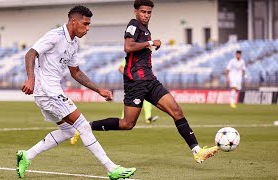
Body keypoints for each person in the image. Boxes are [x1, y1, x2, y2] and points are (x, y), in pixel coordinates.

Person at [72, 0, 219, 164]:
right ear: (136, 11)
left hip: (150, 80)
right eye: (143, 12)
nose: (146, 15)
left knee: (176, 111)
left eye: (149, 12)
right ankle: (87, 126)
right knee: (127, 124)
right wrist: (151, 42)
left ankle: (197, 151)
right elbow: (128, 47)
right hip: (135, 82)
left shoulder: (144, 29)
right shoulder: (133, 25)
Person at [18, 5, 136, 179]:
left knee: (69, 131)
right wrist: (30, 79)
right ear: (74, 21)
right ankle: (112, 169)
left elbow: (76, 73)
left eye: (89, 25)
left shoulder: (73, 44)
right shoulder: (55, 36)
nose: (87, 28)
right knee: (83, 126)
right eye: (85, 24)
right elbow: (30, 54)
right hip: (48, 92)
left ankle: (26, 156)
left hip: (50, 92)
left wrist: (98, 90)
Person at [118, 59, 159, 124]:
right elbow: (120, 68)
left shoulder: (142, 58)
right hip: (133, 83)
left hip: (141, 82)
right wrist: (129, 76)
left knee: (147, 98)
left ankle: (148, 117)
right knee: (130, 101)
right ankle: (123, 118)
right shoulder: (130, 57)